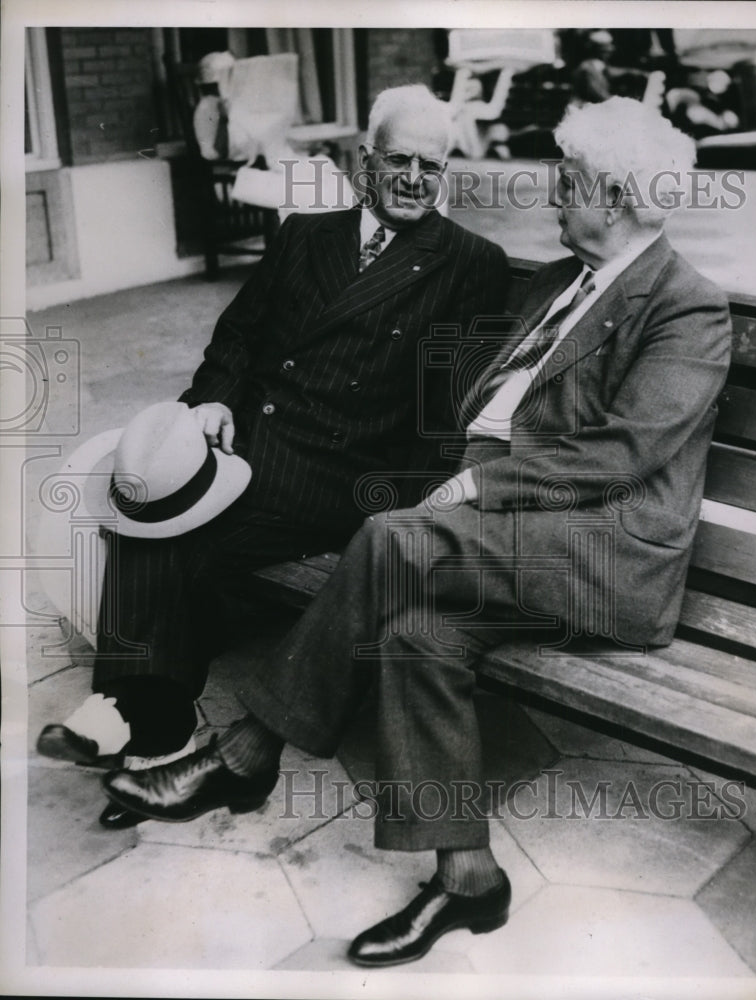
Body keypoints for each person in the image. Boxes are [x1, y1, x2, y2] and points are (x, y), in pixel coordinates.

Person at [100, 96, 732, 967]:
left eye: (570, 178)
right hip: (507, 533)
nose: (554, 188)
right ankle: (468, 877)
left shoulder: (683, 308)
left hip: (603, 552)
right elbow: (466, 397)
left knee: (393, 540)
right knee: (416, 632)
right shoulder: (557, 282)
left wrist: (473, 481)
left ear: (615, 197)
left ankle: (247, 750)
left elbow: (623, 453)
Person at [36, 84, 510, 828]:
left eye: (432, 165)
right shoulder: (304, 235)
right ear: (364, 162)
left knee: (179, 531)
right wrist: (213, 401)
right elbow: (237, 337)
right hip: (250, 440)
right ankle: (150, 731)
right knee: (143, 492)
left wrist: (412, 506)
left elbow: (444, 414)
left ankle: (145, 728)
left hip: (346, 473)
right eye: (400, 161)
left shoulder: (468, 263)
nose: (417, 179)